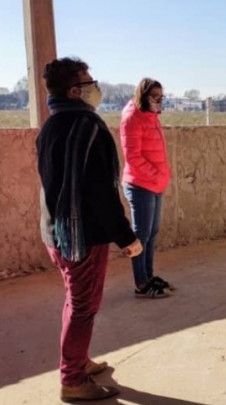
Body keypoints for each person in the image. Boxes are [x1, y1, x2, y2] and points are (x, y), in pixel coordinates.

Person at [37, 57, 142, 402]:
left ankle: (78, 360)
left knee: (75, 300)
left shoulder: (51, 125)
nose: (95, 87)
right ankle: (72, 380)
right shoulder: (88, 127)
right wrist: (126, 237)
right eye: (88, 82)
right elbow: (100, 192)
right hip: (82, 236)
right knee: (83, 307)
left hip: (56, 232)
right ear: (73, 91)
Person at [120, 78, 174, 298]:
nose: (159, 101)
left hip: (155, 183)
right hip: (140, 184)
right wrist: (156, 174)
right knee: (140, 236)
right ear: (143, 96)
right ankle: (141, 283)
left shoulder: (151, 117)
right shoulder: (132, 118)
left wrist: (161, 175)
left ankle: (149, 276)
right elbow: (133, 157)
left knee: (151, 233)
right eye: (154, 96)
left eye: (161, 97)